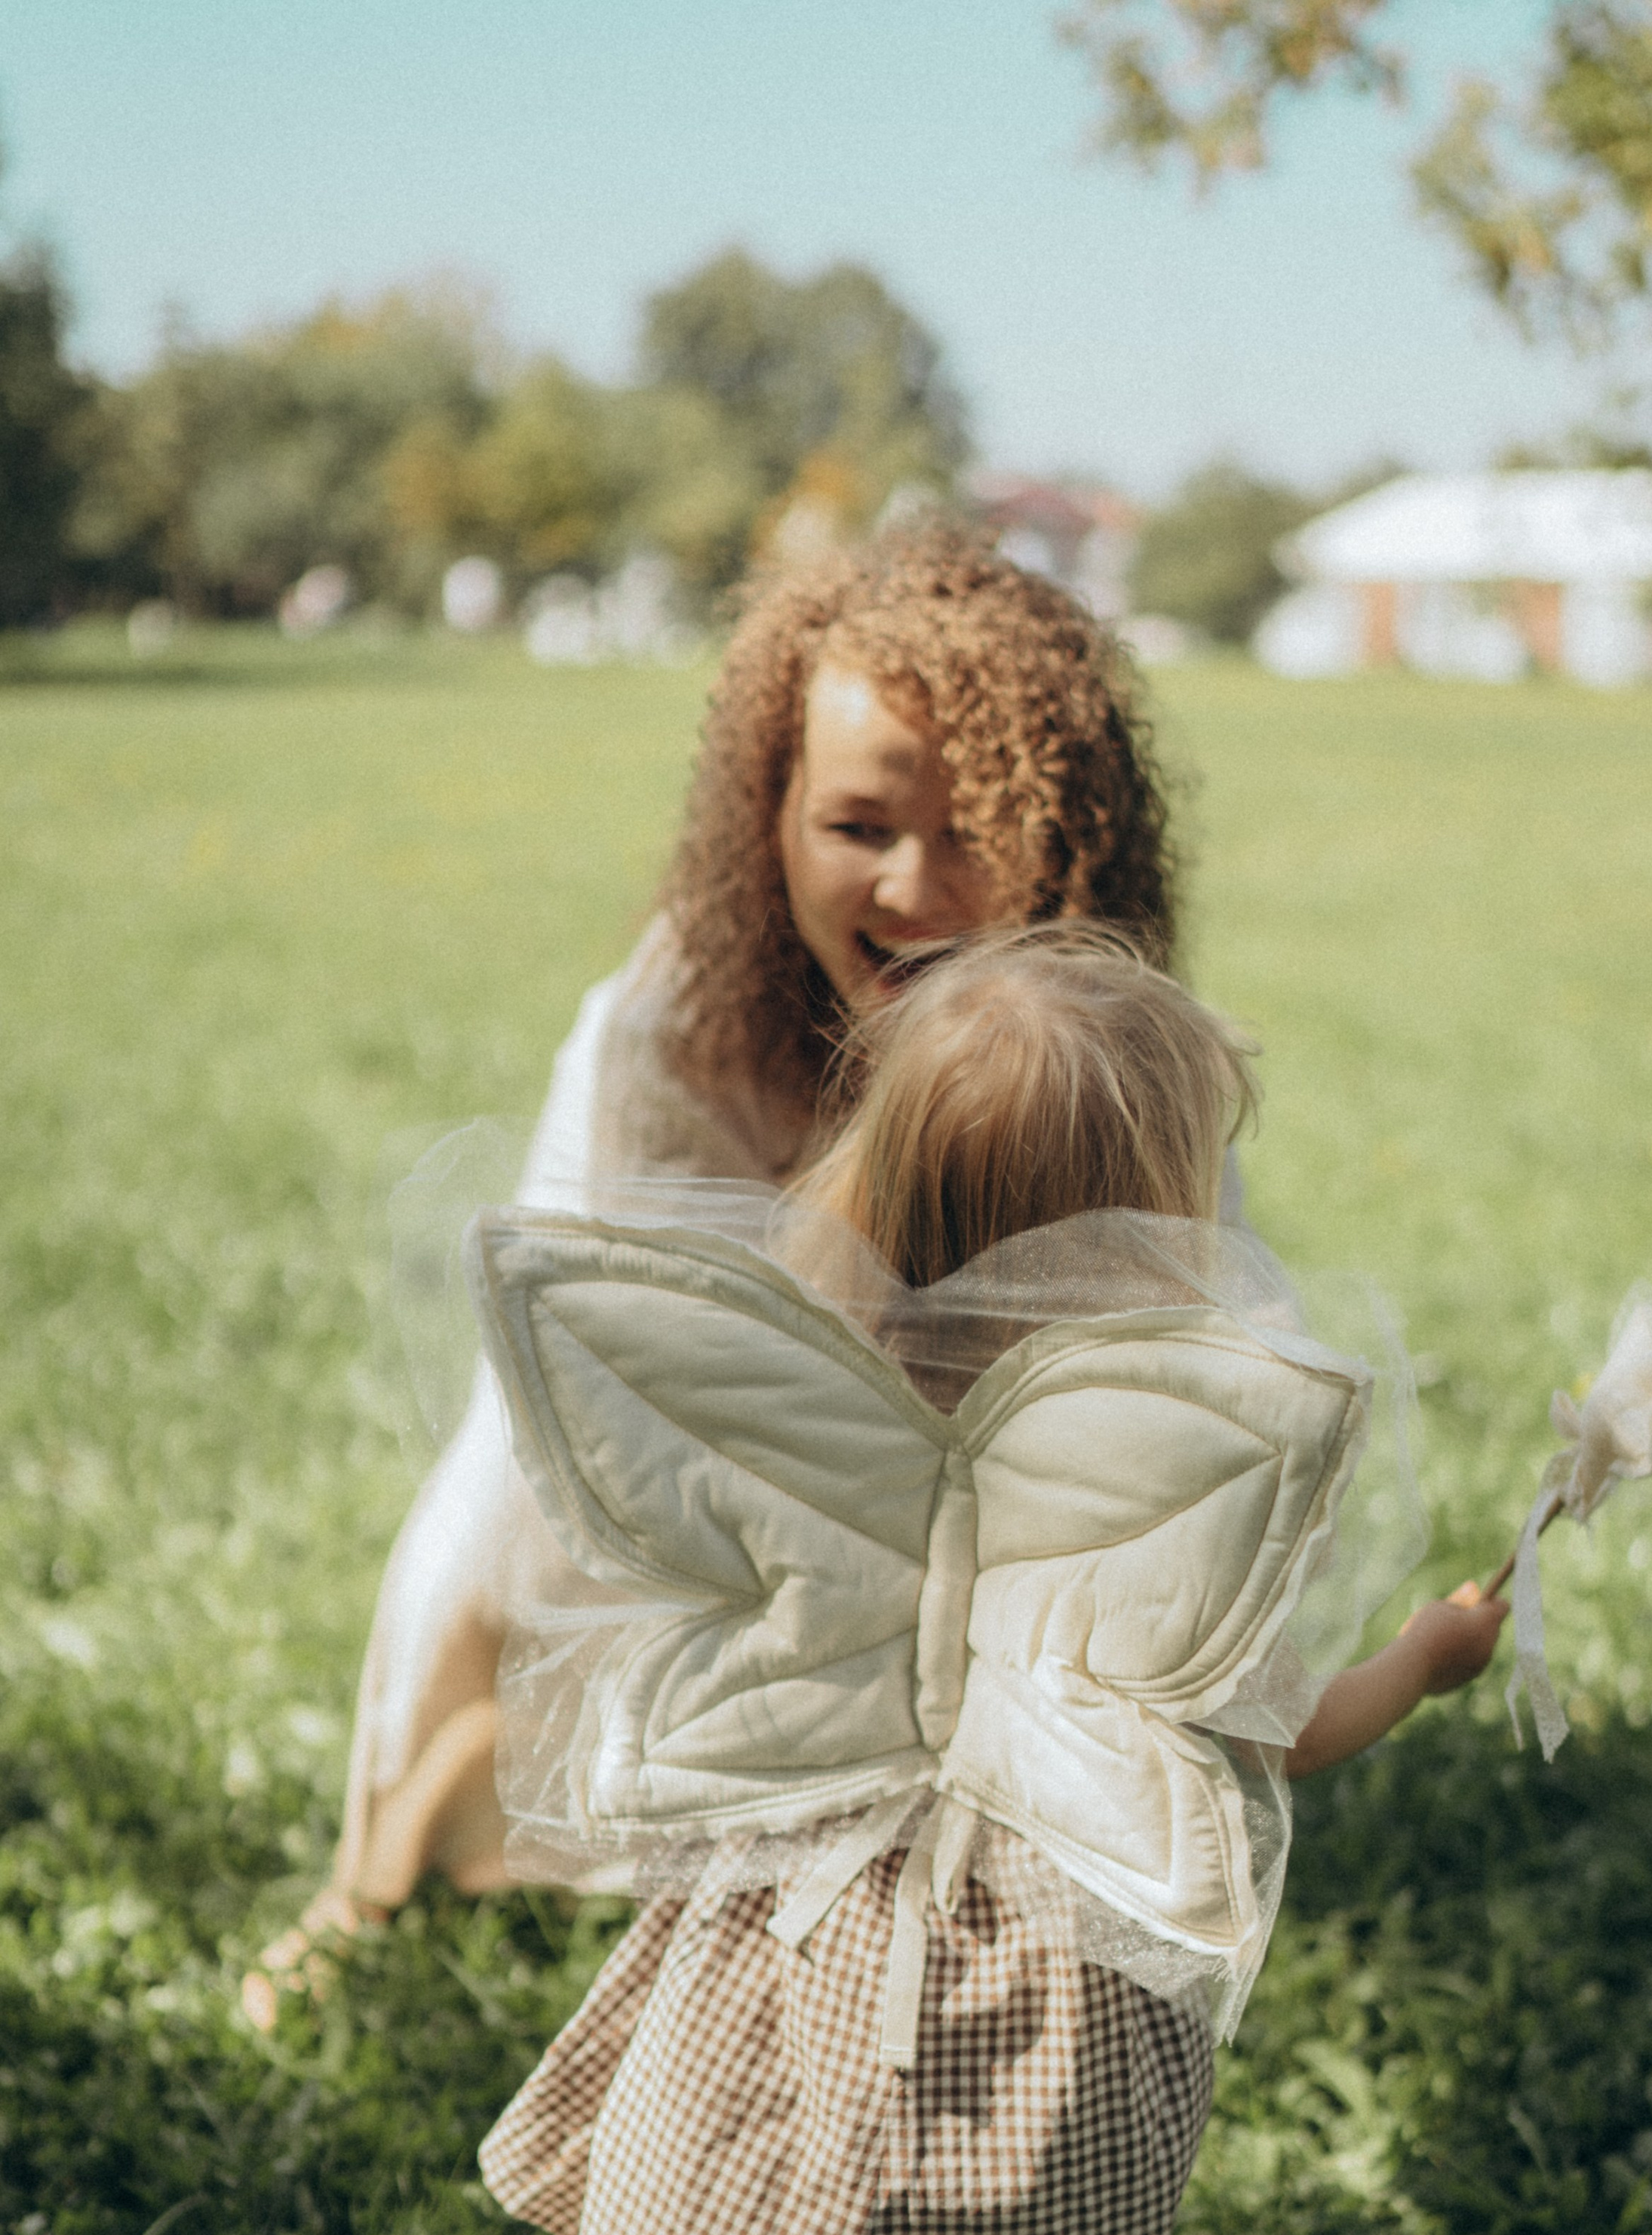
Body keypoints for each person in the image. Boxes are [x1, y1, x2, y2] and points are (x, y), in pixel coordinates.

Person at [462, 928, 1507, 2235]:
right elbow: (1285, 1735)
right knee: (1067, 2205)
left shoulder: (810, 1420)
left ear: (877, 1182)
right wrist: (1429, 1660)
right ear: (1160, 1226)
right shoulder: (1145, 1489)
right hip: (1059, 1959)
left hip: (805, 1926)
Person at [270, 521, 1177, 1976]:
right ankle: (372, 1881)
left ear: (1065, 844)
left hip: (964, 1489)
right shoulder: (673, 1032)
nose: (914, 890)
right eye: (859, 828)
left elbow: (1170, 1339)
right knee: (524, 1577)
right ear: (773, 818)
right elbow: (658, 1416)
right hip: (686, 1443)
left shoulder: (1096, 1048)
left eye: (971, 836)